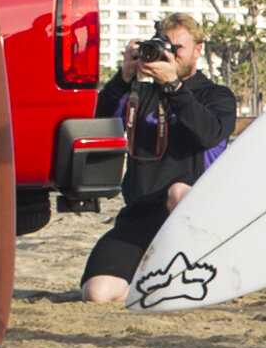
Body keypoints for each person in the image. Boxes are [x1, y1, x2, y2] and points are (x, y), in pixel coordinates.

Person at [77, 16, 237, 303]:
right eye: (165, 46)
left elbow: (208, 133)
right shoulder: (139, 94)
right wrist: (123, 77)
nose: (171, 54)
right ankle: (154, 286)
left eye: (179, 48)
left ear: (198, 50)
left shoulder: (216, 96)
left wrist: (173, 87)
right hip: (141, 214)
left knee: (179, 191)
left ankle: (202, 273)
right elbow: (96, 125)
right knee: (97, 293)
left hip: (191, 215)